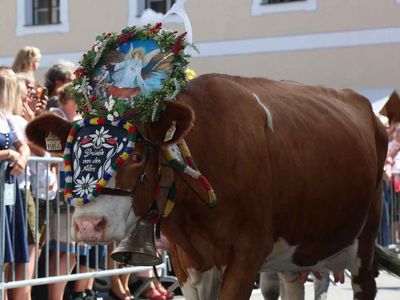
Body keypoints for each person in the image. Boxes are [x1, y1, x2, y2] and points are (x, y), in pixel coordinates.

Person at [0, 69, 30, 299]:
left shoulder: (6, 117)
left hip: (8, 191)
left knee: (7, 255)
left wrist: (22, 156)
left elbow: (23, 145)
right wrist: (8, 154)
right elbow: (11, 149)